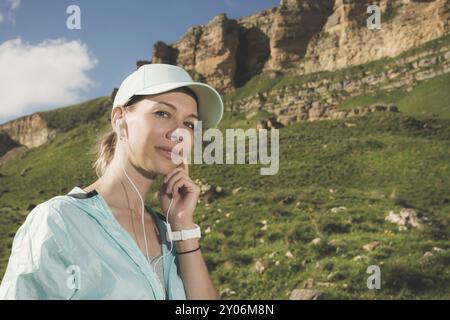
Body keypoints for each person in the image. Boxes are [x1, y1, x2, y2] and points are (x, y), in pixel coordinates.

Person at [0, 64, 223, 300]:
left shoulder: (172, 232)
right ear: (120, 120)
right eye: (162, 113)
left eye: (189, 124)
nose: (178, 133)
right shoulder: (59, 220)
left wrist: (182, 227)